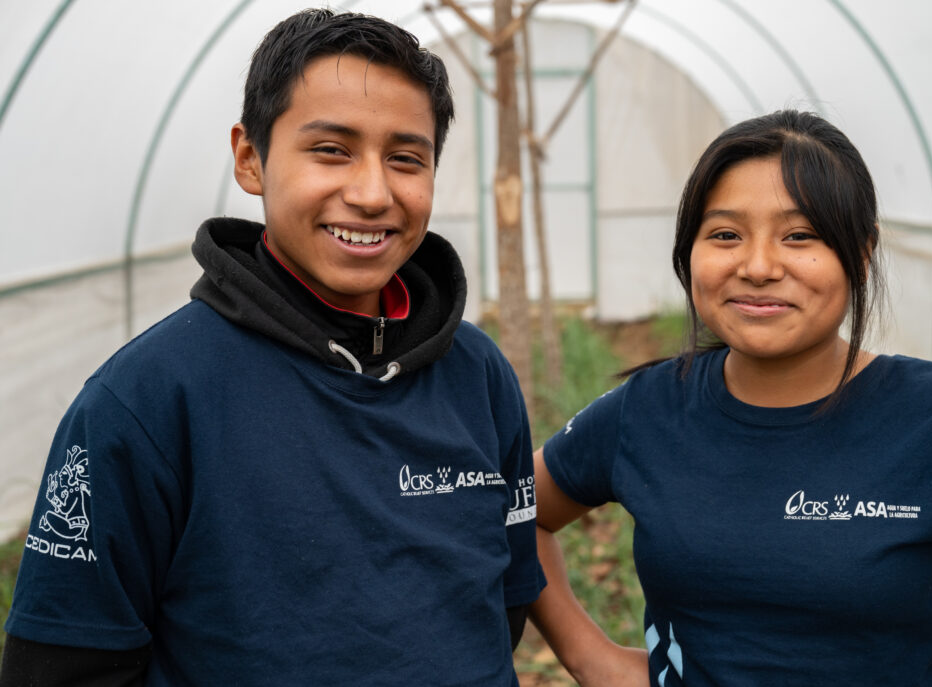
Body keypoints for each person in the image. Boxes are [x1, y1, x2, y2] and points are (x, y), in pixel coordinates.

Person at [1, 9, 543, 685]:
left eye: (406, 158)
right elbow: (63, 667)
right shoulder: (147, 399)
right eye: (331, 150)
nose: (372, 193)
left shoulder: (476, 372)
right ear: (250, 159)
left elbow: (505, 601)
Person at [528, 110, 932, 686]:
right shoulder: (647, 409)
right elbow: (522, 513)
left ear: (860, 256)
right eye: (724, 235)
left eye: (800, 236)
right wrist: (592, 658)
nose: (759, 267)